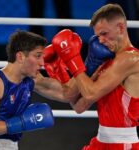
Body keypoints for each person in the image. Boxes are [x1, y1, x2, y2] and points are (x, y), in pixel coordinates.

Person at [51, 3, 139, 150]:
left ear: (121, 28)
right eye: (98, 36)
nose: (101, 41)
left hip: (122, 144)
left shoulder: (130, 58)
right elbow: (78, 106)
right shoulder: (105, 61)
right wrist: (81, 67)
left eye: (104, 34)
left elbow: (91, 93)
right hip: (101, 140)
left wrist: (73, 59)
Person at [0, 30, 77, 150]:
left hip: (11, 145)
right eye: (37, 56)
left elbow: (67, 94)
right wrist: (19, 124)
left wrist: (88, 64)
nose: (42, 63)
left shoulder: (32, 80)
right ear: (20, 56)